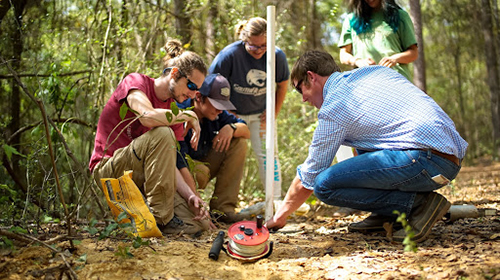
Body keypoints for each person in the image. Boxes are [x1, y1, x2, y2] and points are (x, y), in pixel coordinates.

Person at [265, 50, 468, 243]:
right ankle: (386, 214)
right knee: (363, 145)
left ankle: (419, 206)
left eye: (301, 88)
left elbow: (308, 177)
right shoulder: (372, 73)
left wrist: (280, 216)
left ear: (311, 77)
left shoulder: (335, 106)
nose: (303, 98)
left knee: (323, 185)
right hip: (448, 160)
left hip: (425, 160)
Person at [89, 39, 213, 236]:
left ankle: (146, 217)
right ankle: (157, 219)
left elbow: (170, 164)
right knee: (163, 132)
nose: (191, 94)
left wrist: (192, 196)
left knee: (198, 224)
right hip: (109, 170)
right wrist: (186, 115)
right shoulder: (136, 82)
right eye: (190, 85)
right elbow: (146, 117)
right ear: (174, 73)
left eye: (196, 90)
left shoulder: (172, 110)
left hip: (143, 176)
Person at [209, 17, 290, 200]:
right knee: (230, 153)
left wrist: (272, 113)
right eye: (253, 46)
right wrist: (226, 113)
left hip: (260, 115)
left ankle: (274, 199)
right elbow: (212, 85)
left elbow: (282, 85)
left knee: (268, 154)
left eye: (264, 46)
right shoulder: (229, 55)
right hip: (233, 115)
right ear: (244, 39)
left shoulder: (277, 55)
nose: (259, 51)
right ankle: (224, 202)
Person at [176, 74, 251, 223]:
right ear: (199, 97)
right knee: (201, 173)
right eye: (216, 105)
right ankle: (187, 207)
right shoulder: (180, 113)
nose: (219, 111)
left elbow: (246, 131)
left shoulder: (218, 115)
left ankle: (223, 209)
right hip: (180, 171)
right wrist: (198, 202)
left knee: (239, 143)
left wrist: (231, 127)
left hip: (205, 161)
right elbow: (178, 162)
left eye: (222, 106)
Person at [338, 0, 418, 81]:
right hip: (364, 82)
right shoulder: (351, 20)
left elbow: (413, 53)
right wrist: (357, 61)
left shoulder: (401, 16)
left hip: (397, 80)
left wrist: (394, 59)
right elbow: (343, 55)